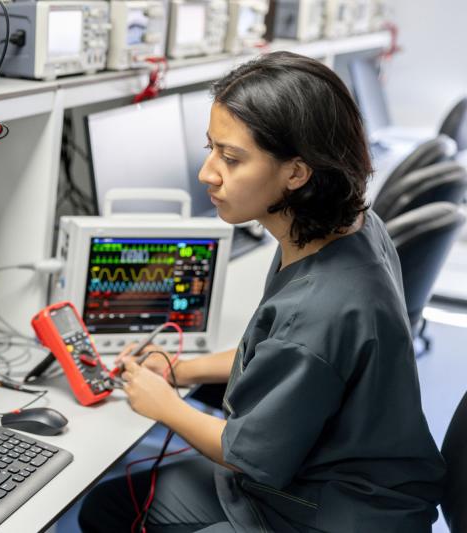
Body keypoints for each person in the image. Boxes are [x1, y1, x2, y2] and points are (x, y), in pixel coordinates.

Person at [78, 51, 446, 533]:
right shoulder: (345, 228)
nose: (207, 173)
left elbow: (247, 454)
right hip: (334, 481)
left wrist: (163, 403)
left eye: (231, 158)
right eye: (211, 148)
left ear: (296, 173)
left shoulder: (320, 305)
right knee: (110, 505)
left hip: (330, 515)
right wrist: (182, 369)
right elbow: (282, 351)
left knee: (113, 507)